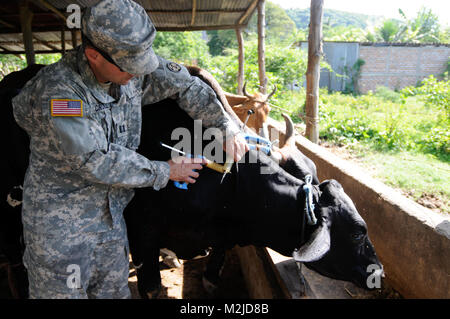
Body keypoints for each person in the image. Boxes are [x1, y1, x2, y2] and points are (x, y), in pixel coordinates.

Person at [12, 0, 248, 299]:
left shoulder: (127, 66)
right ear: (93, 55)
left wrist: (224, 125)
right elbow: (93, 159)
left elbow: (186, 85)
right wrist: (166, 169)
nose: (139, 74)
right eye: (132, 68)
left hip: (110, 221)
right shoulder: (59, 93)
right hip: (62, 232)